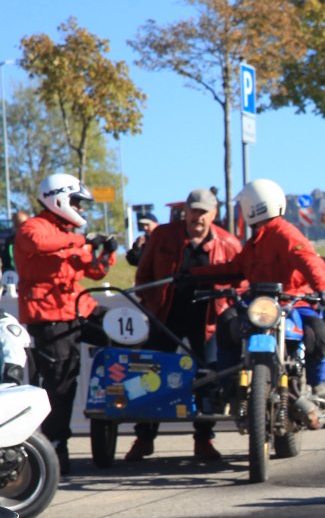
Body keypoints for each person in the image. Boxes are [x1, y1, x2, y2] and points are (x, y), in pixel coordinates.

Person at [187, 178, 325, 414]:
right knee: (226, 322)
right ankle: (228, 385)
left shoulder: (285, 233)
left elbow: (309, 260)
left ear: (251, 206)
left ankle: (319, 386)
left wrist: (323, 286)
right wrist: (193, 275)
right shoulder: (256, 240)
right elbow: (235, 269)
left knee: (319, 332)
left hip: (292, 301)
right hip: (258, 303)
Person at [125, 189, 242, 462]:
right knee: (151, 374)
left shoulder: (228, 242)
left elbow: (242, 280)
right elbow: (143, 274)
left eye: (203, 212)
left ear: (213, 214)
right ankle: (144, 438)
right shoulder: (163, 236)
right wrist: (151, 303)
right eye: (193, 211)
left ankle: (204, 440)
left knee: (207, 376)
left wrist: (226, 306)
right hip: (167, 317)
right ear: (185, 212)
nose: (197, 217)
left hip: (208, 320)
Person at [14, 174, 115, 471]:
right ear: (59, 199)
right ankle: (57, 447)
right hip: (49, 318)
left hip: (80, 309)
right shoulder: (33, 227)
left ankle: (115, 403)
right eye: (77, 203)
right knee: (60, 385)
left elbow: (94, 272)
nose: (81, 210)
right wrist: (82, 240)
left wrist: (107, 253)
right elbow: (38, 243)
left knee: (126, 333)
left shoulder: (69, 233)